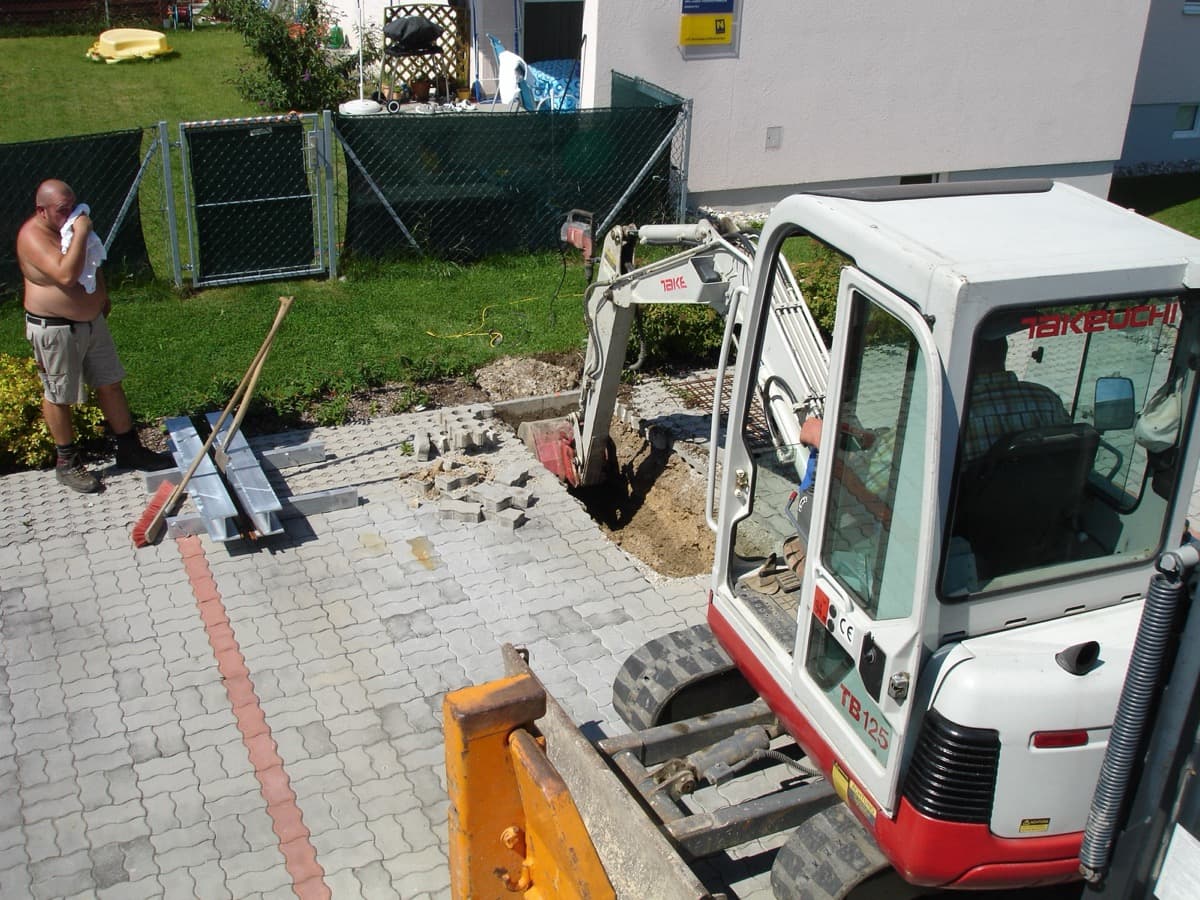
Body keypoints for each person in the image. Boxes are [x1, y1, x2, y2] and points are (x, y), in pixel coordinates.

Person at [17, 178, 171, 493]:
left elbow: (89, 264)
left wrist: (101, 296)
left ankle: (129, 448)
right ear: (41, 211)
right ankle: (67, 462)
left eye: (73, 206)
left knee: (110, 383)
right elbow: (65, 273)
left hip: (91, 323)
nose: (71, 214)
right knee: (59, 395)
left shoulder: (67, 230)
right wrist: (83, 231)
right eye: (63, 210)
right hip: (55, 329)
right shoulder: (33, 236)